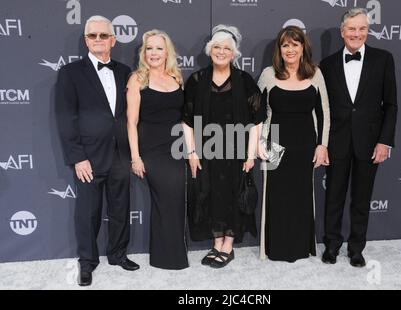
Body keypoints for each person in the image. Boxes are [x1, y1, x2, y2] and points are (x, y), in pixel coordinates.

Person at [55, 15, 139, 286]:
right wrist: (78, 157)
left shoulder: (126, 71)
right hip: (88, 156)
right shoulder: (70, 73)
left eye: (104, 35)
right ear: (86, 40)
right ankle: (87, 263)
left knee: (120, 208)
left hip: (120, 153)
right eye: (93, 36)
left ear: (113, 40)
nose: (99, 40)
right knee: (88, 212)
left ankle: (117, 254)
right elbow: (66, 118)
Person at [182, 24, 266, 268]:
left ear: (234, 53)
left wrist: (250, 156)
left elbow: (256, 121)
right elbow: (186, 121)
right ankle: (216, 242)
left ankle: (228, 245)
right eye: (216, 47)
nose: (221, 52)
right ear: (210, 51)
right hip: (207, 153)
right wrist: (191, 152)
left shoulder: (244, 81)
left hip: (237, 153)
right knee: (211, 197)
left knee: (232, 196)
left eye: (226, 48)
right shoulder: (197, 80)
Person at [320, 8, 397, 267]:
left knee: (362, 198)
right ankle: (331, 245)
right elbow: (323, 109)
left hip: (370, 142)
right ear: (342, 32)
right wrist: (323, 143)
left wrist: (384, 141)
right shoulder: (328, 65)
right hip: (337, 141)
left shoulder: (383, 59)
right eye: (352, 29)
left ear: (368, 30)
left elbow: (391, 105)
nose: (357, 34)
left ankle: (356, 248)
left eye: (362, 28)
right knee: (334, 197)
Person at [257, 26, 330, 262]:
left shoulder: (315, 74)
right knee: (276, 197)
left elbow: (323, 112)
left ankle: (300, 247)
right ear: (280, 49)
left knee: (301, 197)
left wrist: (322, 145)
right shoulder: (269, 74)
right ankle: (275, 248)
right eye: (285, 45)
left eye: (294, 44)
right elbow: (257, 112)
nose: (290, 49)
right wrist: (259, 143)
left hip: (305, 146)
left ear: (302, 48)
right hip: (275, 144)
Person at [126, 30, 189, 270]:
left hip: (176, 148)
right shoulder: (137, 79)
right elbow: (131, 122)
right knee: (166, 199)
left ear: (167, 52)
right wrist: (135, 157)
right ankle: (167, 258)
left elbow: (183, 119)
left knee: (175, 201)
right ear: (144, 53)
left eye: (159, 48)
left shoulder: (176, 77)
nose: (154, 53)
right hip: (152, 149)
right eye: (149, 48)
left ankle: (173, 253)